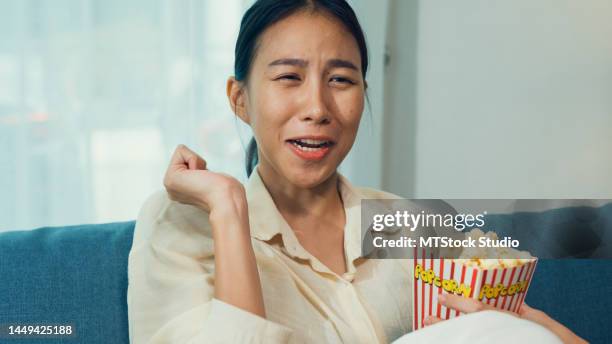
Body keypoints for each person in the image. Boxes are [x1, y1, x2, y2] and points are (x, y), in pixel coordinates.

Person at [127, 0, 586, 343]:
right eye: (289, 77)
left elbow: (514, 323)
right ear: (239, 97)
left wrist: (524, 323)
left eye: (341, 80)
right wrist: (228, 209)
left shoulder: (399, 223)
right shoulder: (186, 226)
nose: (317, 107)